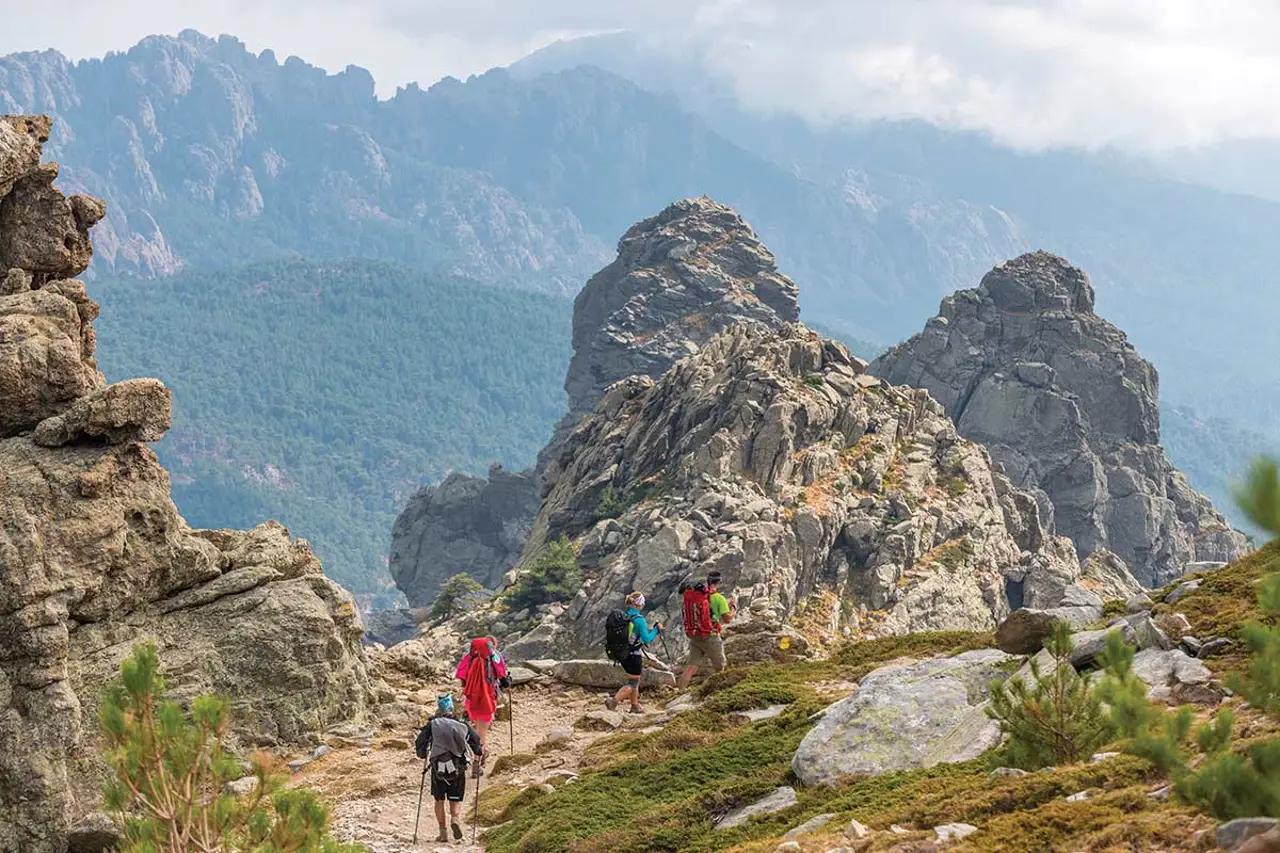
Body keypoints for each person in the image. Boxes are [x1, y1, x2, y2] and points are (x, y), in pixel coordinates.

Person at [414, 694, 483, 843]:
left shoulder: (433, 724)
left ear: (439, 709)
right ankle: (455, 819)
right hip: (458, 767)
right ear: (452, 709)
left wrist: (422, 753)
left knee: (439, 800)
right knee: (455, 799)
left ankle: (443, 832)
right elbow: (476, 741)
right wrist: (478, 752)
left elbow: (420, 742)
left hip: (438, 768)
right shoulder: (463, 724)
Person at [455, 636, 510, 775]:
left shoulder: (469, 656)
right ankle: (477, 763)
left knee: (477, 728)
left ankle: (479, 752)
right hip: (487, 698)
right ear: (492, 646)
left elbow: (461, 676)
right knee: (482, 733)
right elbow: (503, 678)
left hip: (471, 698)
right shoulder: (495, 656)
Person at [604, 591, 661, 714]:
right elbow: (646, 639)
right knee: (633, 683)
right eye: (643, 603)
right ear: (639, 604)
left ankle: (635, 706)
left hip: (623, 654)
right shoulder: (639, 620)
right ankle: (614, 700)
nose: (644, 605)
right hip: (634, 655)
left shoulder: (625, 616)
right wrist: (656, 630)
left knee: (635, 681)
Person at [677, 571, 733, 689]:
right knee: (721, 667)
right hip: (710, 636)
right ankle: (720, 692)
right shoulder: (719, 598)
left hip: (695, 636)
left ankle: (679, 692)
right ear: (719, 582)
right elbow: (727, 619)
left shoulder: (697, 596)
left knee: (691, 667)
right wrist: (733, 608)